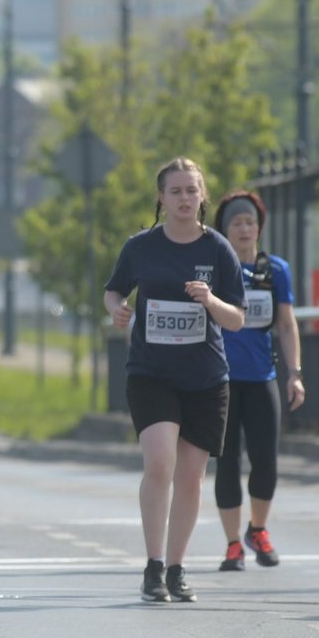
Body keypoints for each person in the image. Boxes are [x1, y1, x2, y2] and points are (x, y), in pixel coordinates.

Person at [103, 157, 246, 603]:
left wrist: (210, 301)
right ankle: (153, 566)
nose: (184, 198)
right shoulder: (141, 247)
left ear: (202, 197)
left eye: (192, 190)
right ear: (161, 199)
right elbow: (113, 290)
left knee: (189, 477)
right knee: (160, 462)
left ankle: (178, 568)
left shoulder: (217, 249)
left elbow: (238, 319)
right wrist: (116, 309)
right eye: (176, 191)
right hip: (152, 373)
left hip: (205, 377)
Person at [213, 190, 305, 571]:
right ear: (225, 229)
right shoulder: (215, 267)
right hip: (220, 380)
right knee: (227, 462)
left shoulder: (275, 270)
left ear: (259, 227)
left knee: (265, 460)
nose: (245, 228)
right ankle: (233, 544)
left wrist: (294, 374)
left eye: (250, 222)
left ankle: (258, 529)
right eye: (237, 222)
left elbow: (286, 323)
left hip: (262, 377)